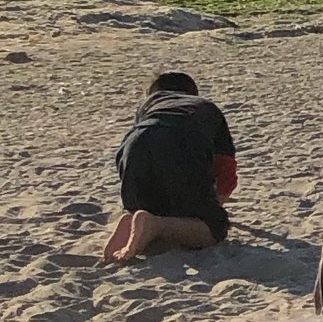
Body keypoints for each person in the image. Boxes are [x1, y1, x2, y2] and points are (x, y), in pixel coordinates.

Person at [101, 69, 239, 263]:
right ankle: (155, 225)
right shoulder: (205, 107)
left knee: (151, 206)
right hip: (182, 140)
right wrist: (213, 208)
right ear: (192, 93)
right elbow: (226, 171)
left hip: (134, 144)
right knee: (213, 229)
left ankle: (132, 217)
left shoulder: (148, 105)